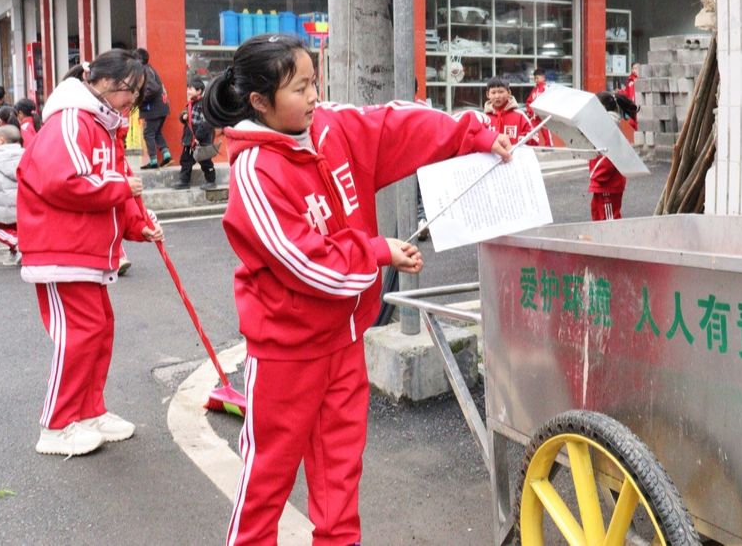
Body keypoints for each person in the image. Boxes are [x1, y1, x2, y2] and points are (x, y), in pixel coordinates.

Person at [202, 34, 512, 546]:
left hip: (345, 342)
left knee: (340, 477)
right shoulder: (255, 170)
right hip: (287, 354)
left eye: (313, 82)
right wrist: (377, 251)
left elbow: (397, 124)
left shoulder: (330, 127)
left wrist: (470, 133)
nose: (313, 96)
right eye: (299, 88)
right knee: (266, 480)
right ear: (259, 102)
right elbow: (304, 263)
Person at [16, 49, 165, 457]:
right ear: (102, 82)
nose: (133, 100)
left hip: (85, 251)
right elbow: (63, 182)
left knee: (98, 331)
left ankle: (88, 411)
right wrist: (122, 188)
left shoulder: (103, 125)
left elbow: (118, 184)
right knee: (79, 336)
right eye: (129, 90)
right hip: (61, 249)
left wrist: (140, 223)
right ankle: (57, 424)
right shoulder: (70, 120)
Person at [589, 91, 629, 221]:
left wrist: (595, 175)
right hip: (602, 183)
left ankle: (613, 242)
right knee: (599, 215)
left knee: (609, 220)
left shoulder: (610, 128)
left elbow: (610, 157)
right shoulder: (605, 125)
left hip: (607, 183)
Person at [171, 78, 217, 191]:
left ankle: (211, 181)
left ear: (199, 91)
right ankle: (184, 181)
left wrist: (198, 137)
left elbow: (205, 123)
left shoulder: (204, 105)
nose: (188, 91)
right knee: (186, 160)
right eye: (188, 88)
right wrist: (183, 117)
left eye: (190, 89)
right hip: (189, 138)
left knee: (205, 161)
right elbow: (184, 115)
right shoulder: (190, 104)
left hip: (201, 139)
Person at [136, 47, 173, 169]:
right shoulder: (150, 69)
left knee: (148, 133)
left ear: (138, 60)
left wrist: (139, 100)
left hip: (153, 109)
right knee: (156, 132)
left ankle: (153, 161)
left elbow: (153, 88)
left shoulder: (144, 71)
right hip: (162, 107)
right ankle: (166, 155)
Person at [0, 124, 23, 265]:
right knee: (17, 227)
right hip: (23, 203)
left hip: (2, 207)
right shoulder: (26, 154)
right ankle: (15, 252)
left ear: (1, 140)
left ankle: (19, 245)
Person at [484, 76, 539, 147]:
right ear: (488, 94)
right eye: (493, 93)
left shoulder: (520, 116)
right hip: (490, 157)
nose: (497, 96)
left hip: (515, 157)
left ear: (509, 92)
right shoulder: (484, 118)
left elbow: (535, 137)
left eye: (501, 92)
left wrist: (525, 139)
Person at [524, 68, 553, 146]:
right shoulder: (535, 89)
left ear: (543, 77)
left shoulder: (546, 88)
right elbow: (529, 101)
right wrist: (529, 111)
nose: (536, 80)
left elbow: (548, 101)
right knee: (531, 129)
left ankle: (549, 145)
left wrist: (543, 111)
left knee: (545, 130)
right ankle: (532, 144)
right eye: (535, 78)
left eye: (537, 78)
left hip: (542, 115)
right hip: (534, 115)